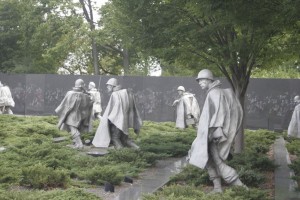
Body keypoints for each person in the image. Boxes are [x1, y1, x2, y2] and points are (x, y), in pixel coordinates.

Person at [188, 69, 246, 193]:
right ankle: (217, 187)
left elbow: (220, 113)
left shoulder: (214, 93)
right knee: (208, 160)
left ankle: (241, 187)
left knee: (218, 162)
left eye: (202, 80)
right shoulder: (215, 92)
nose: (200, 83)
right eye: (199, 80)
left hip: (214, 134)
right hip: (210, 134)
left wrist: (215, 132)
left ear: (209, 80)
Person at [92, 78, 142, 149]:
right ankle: (137, 148)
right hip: (126, 121)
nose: (107, 87)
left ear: (113, 86)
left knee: (115, 138)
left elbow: (114, 111)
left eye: (108, 85)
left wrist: (108, 119)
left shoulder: (115, 94)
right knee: (125, 139)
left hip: (117, 121)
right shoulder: (127, 92)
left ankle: (121, 153)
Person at [55, 79, 93, 149]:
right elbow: (89, 104)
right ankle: (77, 144)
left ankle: (80, 144)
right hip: (81, 116)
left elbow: (65, 105)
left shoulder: (70, 93)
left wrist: (60, 111)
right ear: (82, 86)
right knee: (76, 128)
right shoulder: (86, 95)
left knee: (73, 129)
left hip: (72, 115)